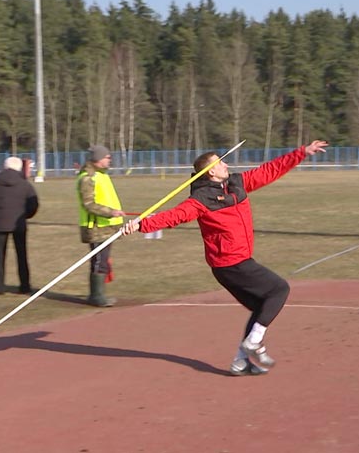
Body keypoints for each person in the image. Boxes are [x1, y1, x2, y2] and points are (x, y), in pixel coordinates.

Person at [122, 140, 329, 376]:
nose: (225, 164)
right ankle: (253, 344)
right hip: (231, 263)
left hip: (235, 262)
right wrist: (140, 225)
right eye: (220, 163)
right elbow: (174, 216)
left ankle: (240, 362)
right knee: (279, 289)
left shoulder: (237, 184)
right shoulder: (200, 199)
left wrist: (301, 153)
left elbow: (269, 171)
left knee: (261, 306)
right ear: (210, 171)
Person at [77, 145, 126, 307]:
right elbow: (89, 204)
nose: (109, 159)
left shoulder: (102, 175)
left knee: (103, 260)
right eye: (106, 157)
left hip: (107, 226)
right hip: (96, 227)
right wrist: (110, 212)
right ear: (98, 159)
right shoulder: (88, 177)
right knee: (99, 261)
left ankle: (99, 294)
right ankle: (97, 296)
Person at [0, 156, 39, 295]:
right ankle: (25, 285)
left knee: (0, 255)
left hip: (0, 222)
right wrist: (25, 216)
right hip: (19, 223)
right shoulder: (24, 183)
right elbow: (33, 203)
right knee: (22, 254)